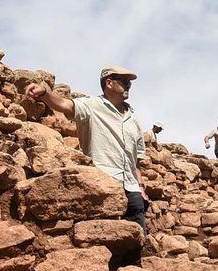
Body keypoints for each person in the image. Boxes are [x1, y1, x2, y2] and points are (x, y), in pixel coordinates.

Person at [23, 66, 148, 231]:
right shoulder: (92, 105)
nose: (128, 85)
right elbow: (64, 105)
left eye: (129, 83)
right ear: (109, 83)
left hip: (132, 190)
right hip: (104, 184)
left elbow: (136, 161)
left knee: (137, 240)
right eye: (124, 81)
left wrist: (140, 188)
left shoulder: (133, 117)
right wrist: (44, 93)